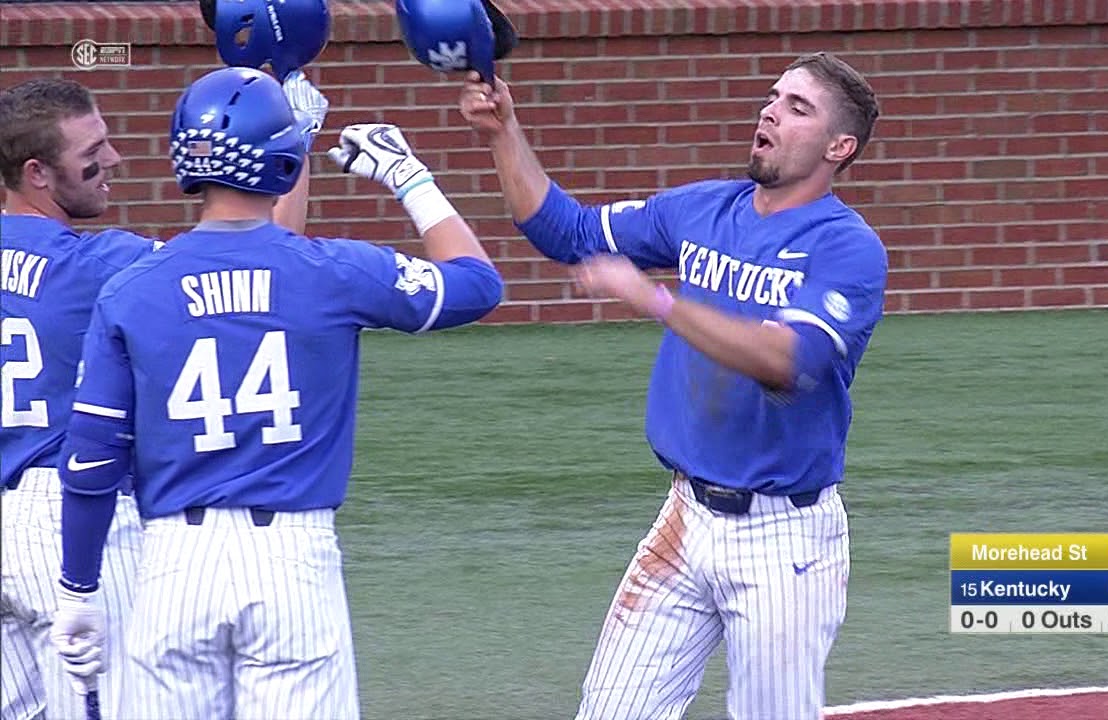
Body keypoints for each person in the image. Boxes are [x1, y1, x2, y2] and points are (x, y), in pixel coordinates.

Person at [51, 66, 502, 718]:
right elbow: (477, 284)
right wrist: (410, 177)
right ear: (284, 160)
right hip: (292, 562)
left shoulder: (132, 287)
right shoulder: (334, 271)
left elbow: (91, 461)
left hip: (174, 566)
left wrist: (79, 589)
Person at [460, 51, 886, 719]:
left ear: (840, 146)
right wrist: (502, 131)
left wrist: (654, 300)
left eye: (798, 108)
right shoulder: (701, 210)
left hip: (784, 542)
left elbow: (786, 360)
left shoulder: (848, 247)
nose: (770, 112)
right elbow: (567, 231)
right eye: (773, 98)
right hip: (684, 519)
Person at [0, 74, 310, 720]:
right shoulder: (94, 265)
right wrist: (290, 140)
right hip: (63, 519)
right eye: (92, 151)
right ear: (37, 173)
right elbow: (257, 257)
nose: (112, 160)